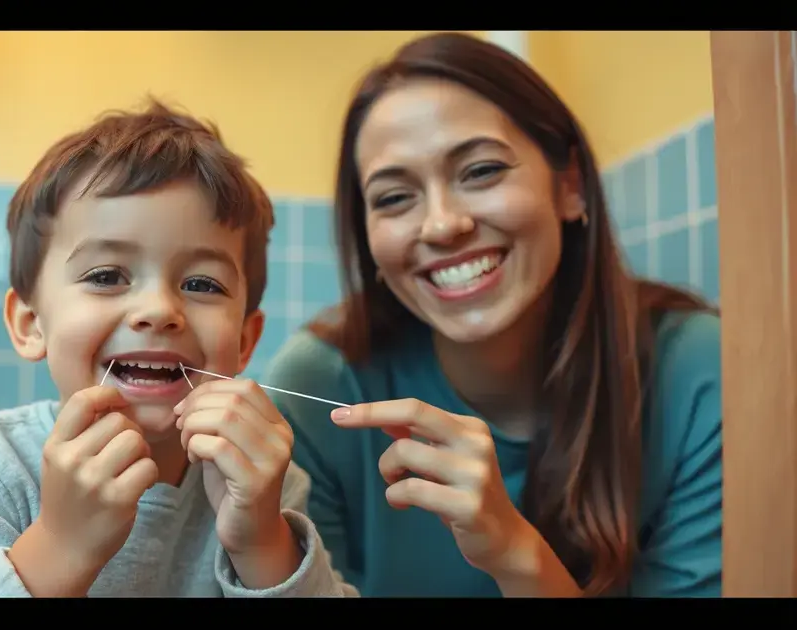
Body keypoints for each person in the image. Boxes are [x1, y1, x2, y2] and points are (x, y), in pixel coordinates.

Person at [262, 32, 721, 598]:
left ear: (570, 186)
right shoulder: (315, 390)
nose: (441, 224)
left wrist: (515, 555)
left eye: (480, 171)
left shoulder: (698, 372)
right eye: (393, 198)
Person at [0, 101, 358, 598]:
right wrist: (58, 545)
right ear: (31, 324)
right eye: (106, 276)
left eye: (201, 283)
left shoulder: (265, 483)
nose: (159, 310)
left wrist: (264, 543)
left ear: (244, 339)